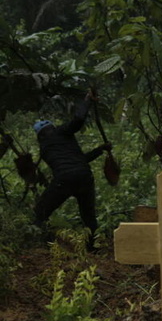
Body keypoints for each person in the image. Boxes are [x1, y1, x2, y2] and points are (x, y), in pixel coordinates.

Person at [33, 90, 111, 251]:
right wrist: (87, 100)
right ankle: (91, 247)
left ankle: (45, 243)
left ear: (40, 136)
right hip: (84, 176)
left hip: (65, 179)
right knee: (88, 216)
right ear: (52, 128)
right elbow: (79, 120)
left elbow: (73, 162)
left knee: (41, 211)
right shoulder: (62, 132)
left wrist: (100, 149)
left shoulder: (45, 148)